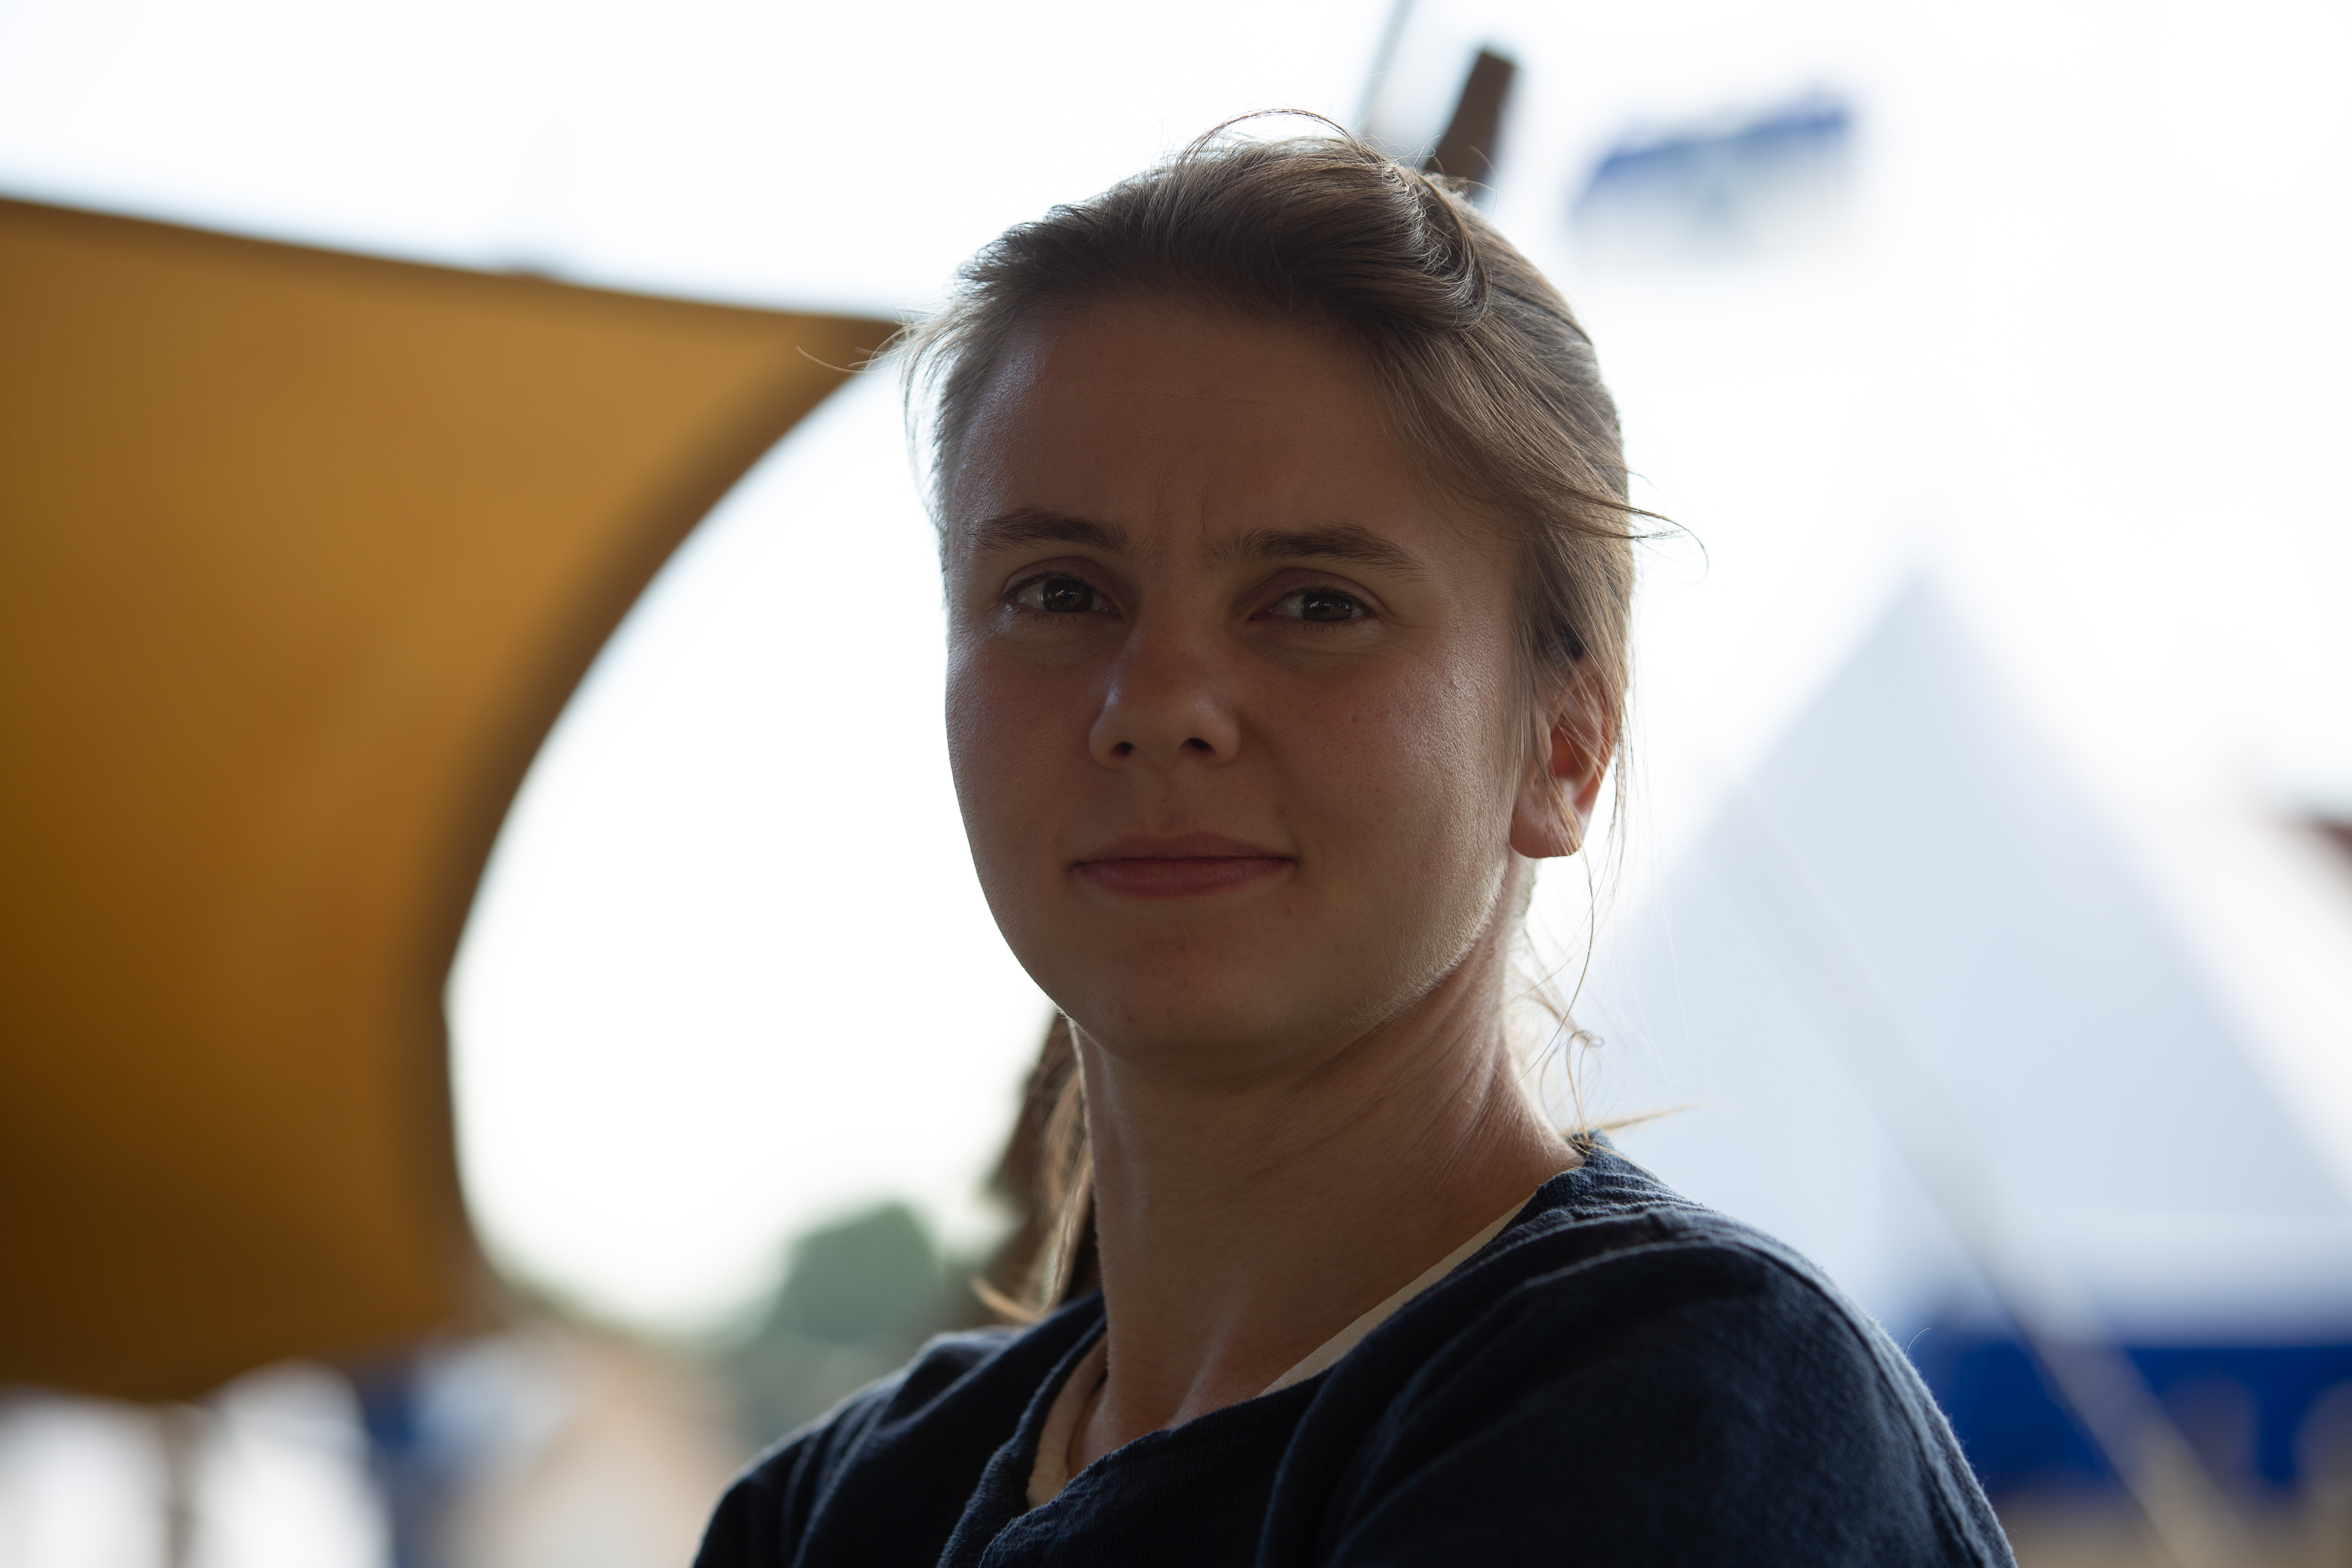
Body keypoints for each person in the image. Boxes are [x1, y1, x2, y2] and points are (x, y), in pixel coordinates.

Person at [694, 126, 2014, 1566]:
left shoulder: (1677, 1392)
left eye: (1315, 604)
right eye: (1060, 592)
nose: (1158, 705)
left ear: (1564, 748)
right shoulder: (827, 1513)